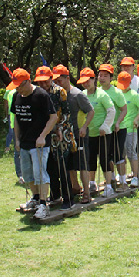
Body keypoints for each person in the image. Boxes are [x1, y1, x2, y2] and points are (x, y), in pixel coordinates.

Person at [9, 68, 58, 219]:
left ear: (28, 82)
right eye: (16, 87)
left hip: (40, 144)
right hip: (24, 143)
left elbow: (53, 117)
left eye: (20, 86)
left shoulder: (41, 96)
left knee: (40, 174)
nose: (18, 89)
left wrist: (43, 136)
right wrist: (17, 139)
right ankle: (35, 198)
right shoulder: (17, 96)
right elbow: (16, 119)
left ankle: (43, 204)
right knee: (28, 174)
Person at [34, 66, 73, 210]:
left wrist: (60, 128)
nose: (43, 85)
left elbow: (66, 113)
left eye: (46, 81)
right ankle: (55, 195)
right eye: (40, 82)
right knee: (50, 166)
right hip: (46, 134)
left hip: (60, 133)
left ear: (51, 79)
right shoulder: (37, 93)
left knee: (62, 166)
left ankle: (68, 198)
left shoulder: (59, 92)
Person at [52, 64, 94, 200]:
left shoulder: (77, 95)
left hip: (79, 135)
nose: (57, 83)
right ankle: (75, 187)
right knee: (69, 165)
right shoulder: (57, 95)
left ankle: (87, 193)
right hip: (64, 136)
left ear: (67, 78)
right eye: (55, 81)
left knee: (83, 165)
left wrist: (84, 127)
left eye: (60, 80)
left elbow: (91, 111)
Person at [78, 67, 115, 201]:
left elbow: (111, 111)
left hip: (103, 133)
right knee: (90, 159)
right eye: (83, 82)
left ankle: (109, 185)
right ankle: (92, 183)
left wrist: (105, 126)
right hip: (89, 134)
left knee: (104, 159)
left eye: (88, 81)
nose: (85, 84)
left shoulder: (102, 95)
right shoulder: (81, 94)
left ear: (94, 80)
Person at [98, 64, 128, 190]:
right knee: (107, 156)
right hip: (104, 131)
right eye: (100, 75)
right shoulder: (97, 92)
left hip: (118, 128)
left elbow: (124, 109)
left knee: (119, 155)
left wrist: (117, 122)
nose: (102, 78)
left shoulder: (117, 92)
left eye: (105, 76)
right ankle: (111, 179)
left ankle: (123, 182)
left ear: (111, 78)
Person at [117, 71, 139, 188]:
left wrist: (137, 119)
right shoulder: (118, 93)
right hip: (121, 128)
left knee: (131, 152)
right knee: (121, 154)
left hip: (131, 129)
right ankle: (122, 177)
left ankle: (135, 176)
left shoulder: (134, 95)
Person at [3, 85, 22, 183]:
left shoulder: (11, 92)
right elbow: (8, 106)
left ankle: (22, 174)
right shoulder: (11, 93)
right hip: (14, 123)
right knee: (18, 150)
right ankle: (20, 174)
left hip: (18, 124)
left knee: (19, 150)